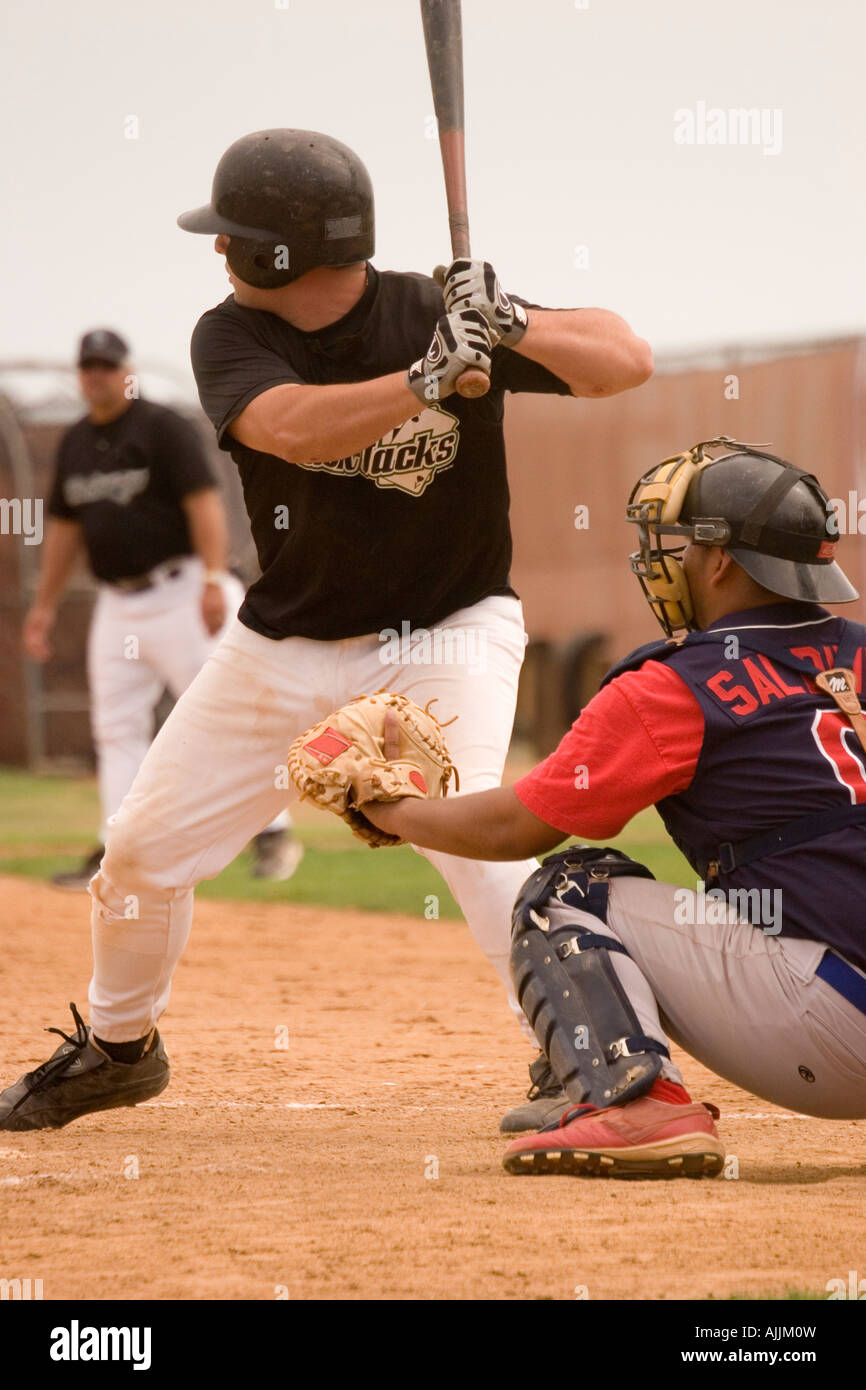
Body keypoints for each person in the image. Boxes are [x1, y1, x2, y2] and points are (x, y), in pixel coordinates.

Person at [0, 128, 651, 1132]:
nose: (219, 252)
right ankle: (119, 1047)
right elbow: (292, 426)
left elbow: (624, 360)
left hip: (448, 625)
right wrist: (426, 382)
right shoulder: (228, 335)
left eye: (232, 237)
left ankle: (587, 1058)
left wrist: (509, 322)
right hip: (282, 642)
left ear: (273, 253)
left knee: (478, 836)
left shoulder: (435, 309)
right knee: (136, 851)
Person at [348, 438, 866, 1176]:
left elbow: (517, 826)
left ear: (720, 561)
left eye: (680, 544)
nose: (666, 560)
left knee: (565, 889)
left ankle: (638, 1105)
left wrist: (393, 809)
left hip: (838, 1030)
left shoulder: (673, 684)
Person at [22, 328, 300, 888]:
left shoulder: (162, 427)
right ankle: (116, 851)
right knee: (116, 729)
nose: (97, 375)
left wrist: (214, 580)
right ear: (80, 376)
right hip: (117, 603)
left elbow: (204, 503)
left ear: (127, 371)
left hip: (183, 589)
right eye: (89, 367)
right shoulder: (76, 442)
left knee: (227, 714)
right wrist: (44, 606)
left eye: (108, 365)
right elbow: (64, 532)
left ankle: (274, 835)